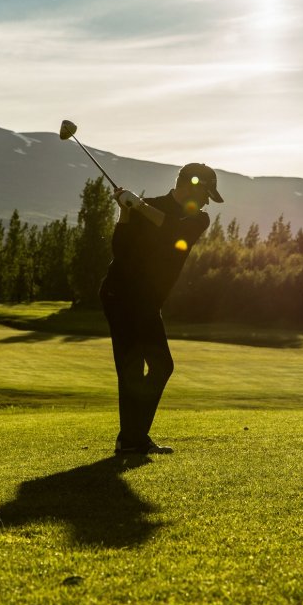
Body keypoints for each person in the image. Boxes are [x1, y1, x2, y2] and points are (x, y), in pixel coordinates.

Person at [99, 163, 223, 455]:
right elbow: (121, 248)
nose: (207, 201)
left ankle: (132, 438)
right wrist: (125, 211)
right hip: (120, 294)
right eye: (206, 194)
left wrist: (138, 206)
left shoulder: (197, 220)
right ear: (192, 187)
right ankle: (132, 438)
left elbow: (172, 230)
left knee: (156, 366)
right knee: (141, 365)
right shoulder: (147, 207)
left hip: (145, 301)